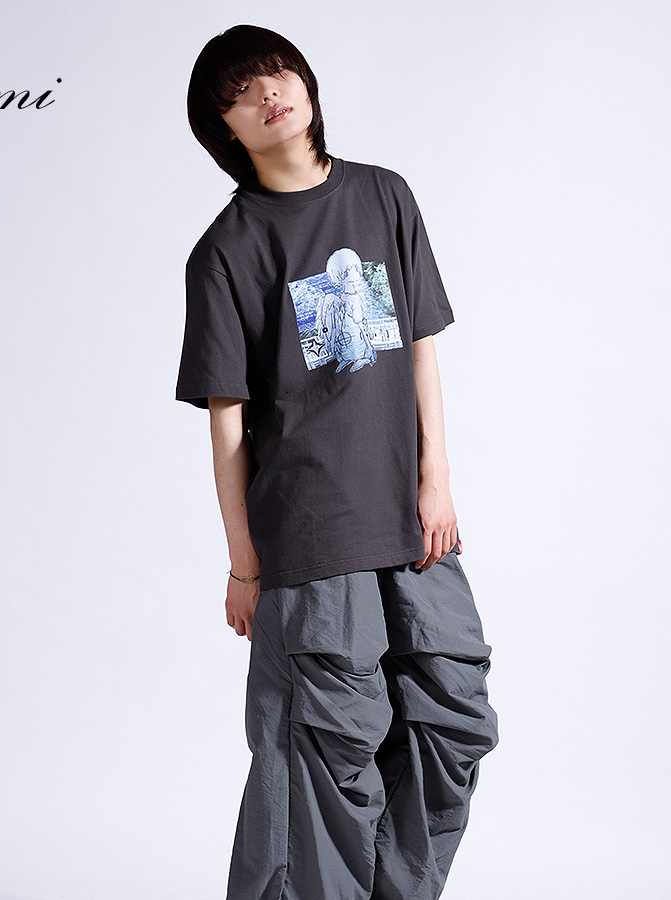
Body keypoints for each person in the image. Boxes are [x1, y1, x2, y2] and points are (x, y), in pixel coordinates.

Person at [176, 24, 499, 900]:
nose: (266, 94)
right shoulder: (227, 251)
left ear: (306, 82)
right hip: (310, 538)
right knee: (320, 754)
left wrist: (437, 480)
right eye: (239, 93)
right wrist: (244, 564)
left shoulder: (384, 194)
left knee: (451, 720)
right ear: (224, 129)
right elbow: (229, 427)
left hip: (408, 520)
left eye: (276, 72)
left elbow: (420, 345)